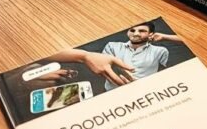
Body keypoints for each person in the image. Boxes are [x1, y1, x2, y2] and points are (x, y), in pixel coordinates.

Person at [48, 22, 182, 91]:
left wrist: (165, 37)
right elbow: (103, 67)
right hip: (111, 92)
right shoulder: (112, 46)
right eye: (132, 30)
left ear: (150, 34)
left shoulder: (160, 51)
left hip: (146, 93)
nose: (136, 33)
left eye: (142, 31)